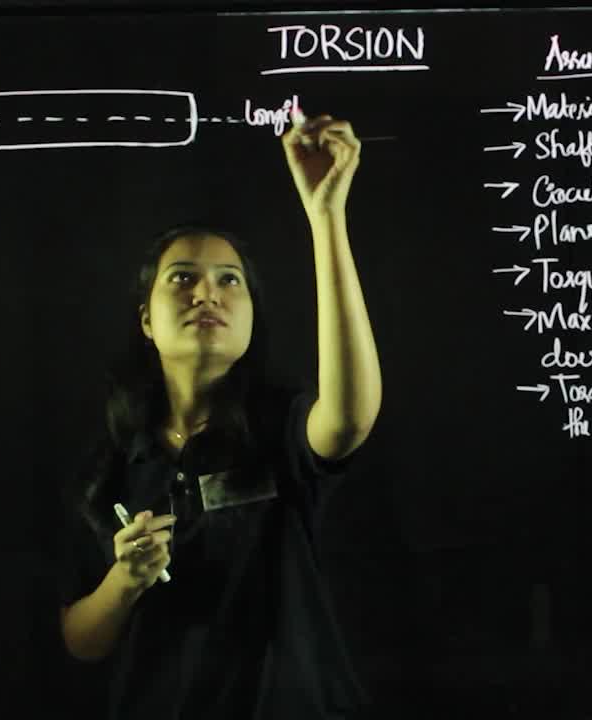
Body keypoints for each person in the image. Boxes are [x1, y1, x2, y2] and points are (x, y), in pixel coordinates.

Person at [56, 113, 381, 720]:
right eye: (182, 278)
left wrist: (326, 216)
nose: (207, 293)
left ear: (252, 317)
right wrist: (124, 580)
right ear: (147, 320)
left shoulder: (279, 428)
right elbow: (81, 639)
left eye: (230, 281)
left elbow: (347, 421)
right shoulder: (111, 463)